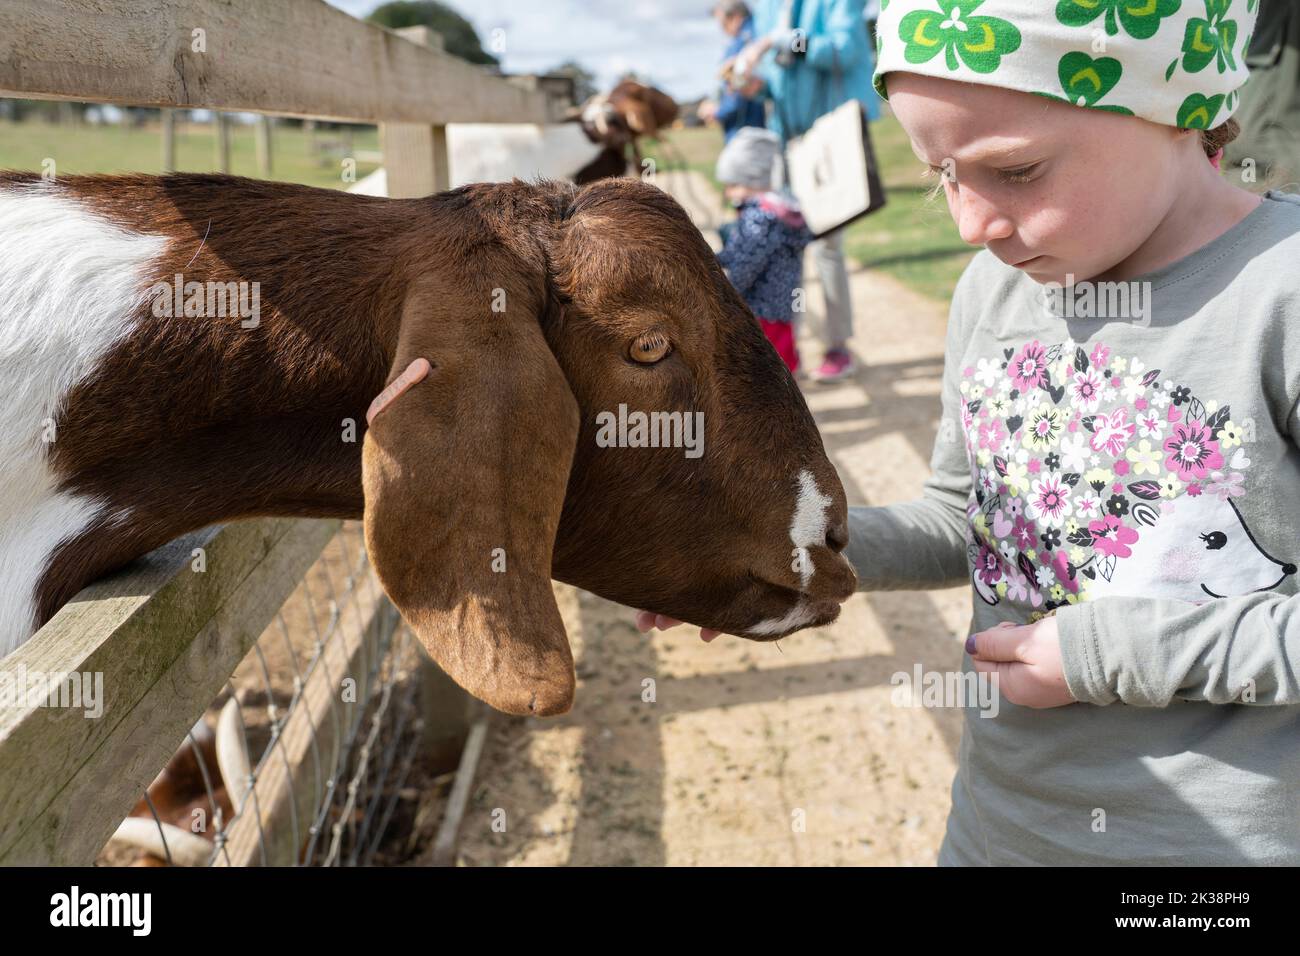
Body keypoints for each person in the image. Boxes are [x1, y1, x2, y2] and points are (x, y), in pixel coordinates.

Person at [644, 2, 1300, 866]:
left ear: (1172, 108)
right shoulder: (992, 298)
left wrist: (1114, 653)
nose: (971, 224)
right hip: (1001, 826)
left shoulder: (1279, 295)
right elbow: (970, 525)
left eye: (1017, 170)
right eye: (940, 174)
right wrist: (782, 545)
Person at [733, 0, 880, 383]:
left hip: (827, 144)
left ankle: (837, 346)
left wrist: (777, 39)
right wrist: (753, 84)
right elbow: (776, 82)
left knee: (828, 247)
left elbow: (841, 52)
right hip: (785, 143)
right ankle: (783, 348)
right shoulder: (768, 8)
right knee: (782, 251)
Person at [714, 127, 814, 374]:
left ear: (750, 181)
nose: (728, 193)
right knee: (782, 353)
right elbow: (739, 250)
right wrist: (710, 259)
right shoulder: (779, 209)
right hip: (781, 303)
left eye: (732, 185)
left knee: (767, 368)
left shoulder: (759, 217)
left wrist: (727, 294)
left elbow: (748, 263)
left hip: (762, 306)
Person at [698, 1, 769, 143]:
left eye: (723, 23)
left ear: (735, 17)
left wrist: (716, 111)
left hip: (745, 131)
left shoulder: (742, 45)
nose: (721, 28)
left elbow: (737, 91)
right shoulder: (759, 34)